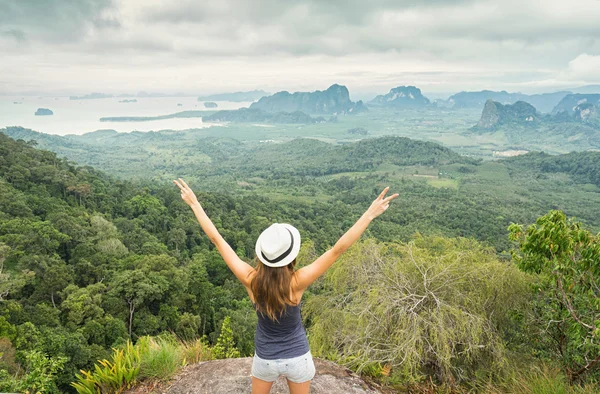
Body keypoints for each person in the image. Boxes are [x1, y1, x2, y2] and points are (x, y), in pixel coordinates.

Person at [173, 178, 398, 394]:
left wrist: (195, 203)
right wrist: (369, 214)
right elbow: (337, 250)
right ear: (290, 256)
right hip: (298, 358)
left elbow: (217, 240)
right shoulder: (297, 282)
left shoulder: (251, 279)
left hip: (265, 360)